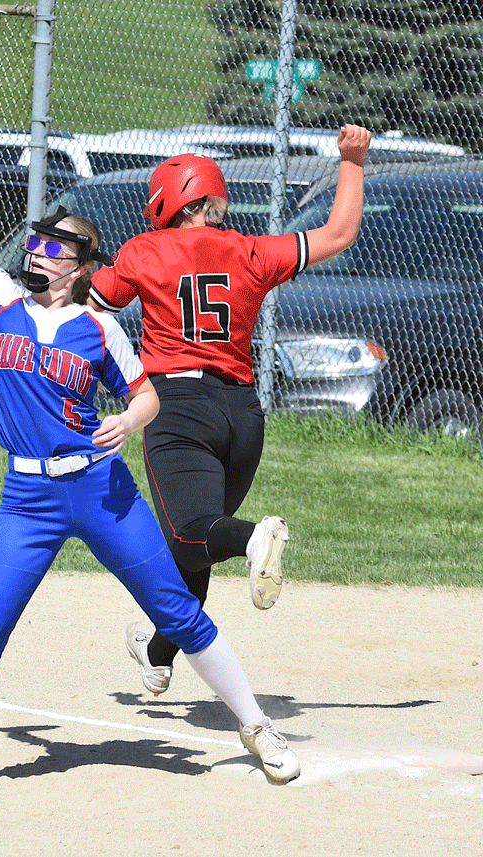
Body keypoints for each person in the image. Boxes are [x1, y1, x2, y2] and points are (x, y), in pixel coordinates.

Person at [0, 112, 301, 786]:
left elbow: (147, 396)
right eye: (36, 243)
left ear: (80, 268)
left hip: (102, 491)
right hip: (28, 498)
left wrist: (129, 420)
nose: (36, 253)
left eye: (52, 247)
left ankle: (257, 727)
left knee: (178, 612)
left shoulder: (99, 329)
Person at [88, 125, 372, 696]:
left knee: (192, 535)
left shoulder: (144, 250)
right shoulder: (252, 250)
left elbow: (91, 307)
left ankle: (254, 539)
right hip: (243, 415)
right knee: (196, 545)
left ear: (169, 205)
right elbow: (340, 233)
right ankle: (158, 652)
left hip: (179, 408)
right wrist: (352, 160)